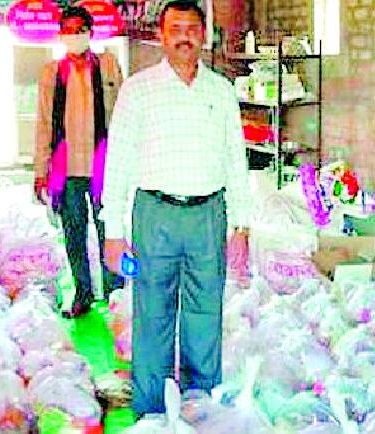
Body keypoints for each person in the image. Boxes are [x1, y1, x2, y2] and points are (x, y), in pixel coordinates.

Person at [101, 0, 251, 421]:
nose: (184, 37)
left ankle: (201, 408)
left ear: (203, 36)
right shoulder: (138, 89)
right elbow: (118, 162)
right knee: (153, 313)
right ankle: (151, 413)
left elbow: (235, 159)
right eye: (175, 29)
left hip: (208, 214)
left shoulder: (220, 90)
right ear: (161, 36)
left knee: (206, 313)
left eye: (191, 29)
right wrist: (113, 233)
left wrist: (241, 225)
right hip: (155, 214)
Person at [34, 6, 125, 318]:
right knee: (73, 234)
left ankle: (115, 296)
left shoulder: (108, 65)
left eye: (80, 30)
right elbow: (44, 122)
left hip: (103, 165)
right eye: (68, 31)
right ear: (60, 35)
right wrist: (40, 170)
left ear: (90, 33)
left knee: (109, 230)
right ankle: (82, 293)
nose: (74, 36)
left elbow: (123, 116)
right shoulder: (52, 72)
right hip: (66, 168)